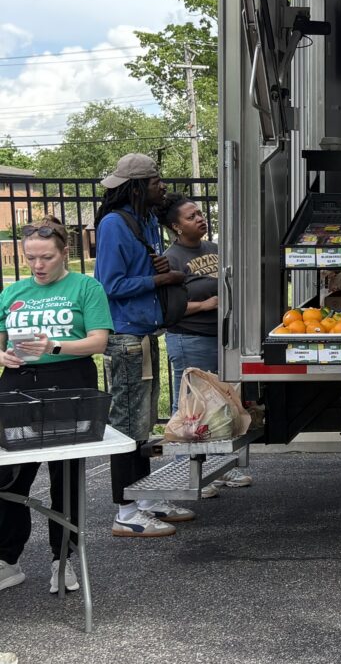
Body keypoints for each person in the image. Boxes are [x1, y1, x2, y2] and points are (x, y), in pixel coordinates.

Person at [0, 219, 112, 595]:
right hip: (18, 384)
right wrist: (4, 355)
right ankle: (7, 559)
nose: (38, 265)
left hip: (70, 382)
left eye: (46, 257)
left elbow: (98, 342)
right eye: (30, 257)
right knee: (9, 476)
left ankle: (62, 559)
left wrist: (54, 347)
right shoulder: (13, 290)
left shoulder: (86, 286)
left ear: (66, 253)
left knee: (66, 476)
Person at [94, 154, 195, 538]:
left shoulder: (145, 220)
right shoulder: (114, 225)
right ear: (136, 187)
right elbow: (110, 286)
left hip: (144, 334)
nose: (162, 185)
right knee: (126, 425)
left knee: (142, 422)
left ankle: (146, 498)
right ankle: (125, 510)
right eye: (155, 181)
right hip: (126, 338)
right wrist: (160, 281)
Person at [161, 194, 250, 497]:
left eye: (199, 213)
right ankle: (190, 471)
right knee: (191, 410)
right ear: (176, 226)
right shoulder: (170, 259)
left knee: (222, 408)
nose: (200, 219)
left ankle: (221, 467)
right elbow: (167, 309)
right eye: (191, 216)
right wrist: (205, 304)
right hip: (190, 338)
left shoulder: (213, 249)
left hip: (221, 339)